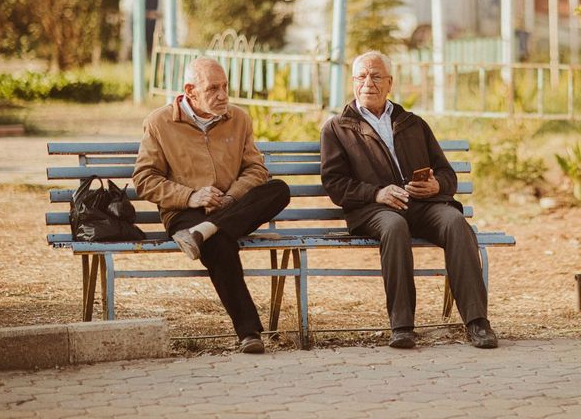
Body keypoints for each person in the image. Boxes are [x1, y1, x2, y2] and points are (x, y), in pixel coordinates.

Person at [320, 51, 498, 349]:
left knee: (455, 222)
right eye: (361, 76)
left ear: (390, 83)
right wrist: (377, 193)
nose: (368, 83)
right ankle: (402, 326)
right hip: (373, 209)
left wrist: (435, 185)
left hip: (422, 206)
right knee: (394, 227)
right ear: (352, 82)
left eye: (376, 76)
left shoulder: (412, 123)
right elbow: (335, 184)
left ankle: (477, 322)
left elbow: (447, 175)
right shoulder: (338, 128)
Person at [133, 57, 290, 354]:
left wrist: (231, 197)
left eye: (225, 87)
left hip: (230, 207)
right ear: (190, 91)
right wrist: (191, 196)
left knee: (279, 190)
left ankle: (205, 231)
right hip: (184, 212)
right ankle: (249, 332)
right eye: (213, 89)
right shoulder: (160, 122)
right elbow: (144, 179)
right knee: (220, 245)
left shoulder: (239, 118)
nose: (222, 95)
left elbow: (256, 170)